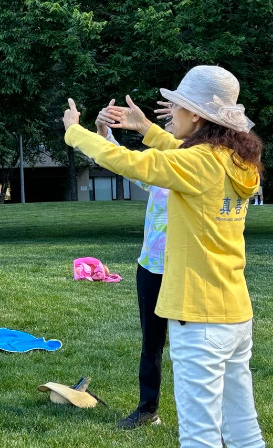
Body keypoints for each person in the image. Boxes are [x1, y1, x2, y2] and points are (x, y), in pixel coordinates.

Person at [64, 65, 265, 448]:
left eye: (177, 106)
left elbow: (128, 163)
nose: (171, 112)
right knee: (243, 430)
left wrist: (76, 132)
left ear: (196, 115)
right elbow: (182, 153)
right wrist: (145, 128)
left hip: (199, 317)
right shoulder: (236, 159)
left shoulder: (201, 162)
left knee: (199, 436)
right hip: (235, 313)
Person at [95, 99, 171, 429]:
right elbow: (120, 161)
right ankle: (147, 409)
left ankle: (208, 419)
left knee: (194, 350)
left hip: (187, 271)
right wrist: (102, 131)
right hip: (151, 268)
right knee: (151, 344)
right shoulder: (155, 169)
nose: (167, 133)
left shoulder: (203, 170)